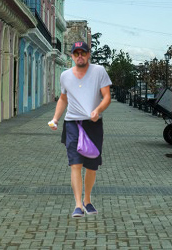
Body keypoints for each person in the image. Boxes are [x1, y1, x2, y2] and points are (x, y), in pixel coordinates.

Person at [49, 41, 112, 218]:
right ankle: (78, 205)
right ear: (71, 56)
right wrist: (55, 119)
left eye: (83, 53)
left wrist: (98, 110)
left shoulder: (99, 71)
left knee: (91, 166)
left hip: (93, 124)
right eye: (76, 53)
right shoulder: (65, 76)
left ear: (88, 54)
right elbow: (63, 99)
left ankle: (87, 200)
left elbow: (107, 96)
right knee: (75, 164)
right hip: (72, 124)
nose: (80, 56)